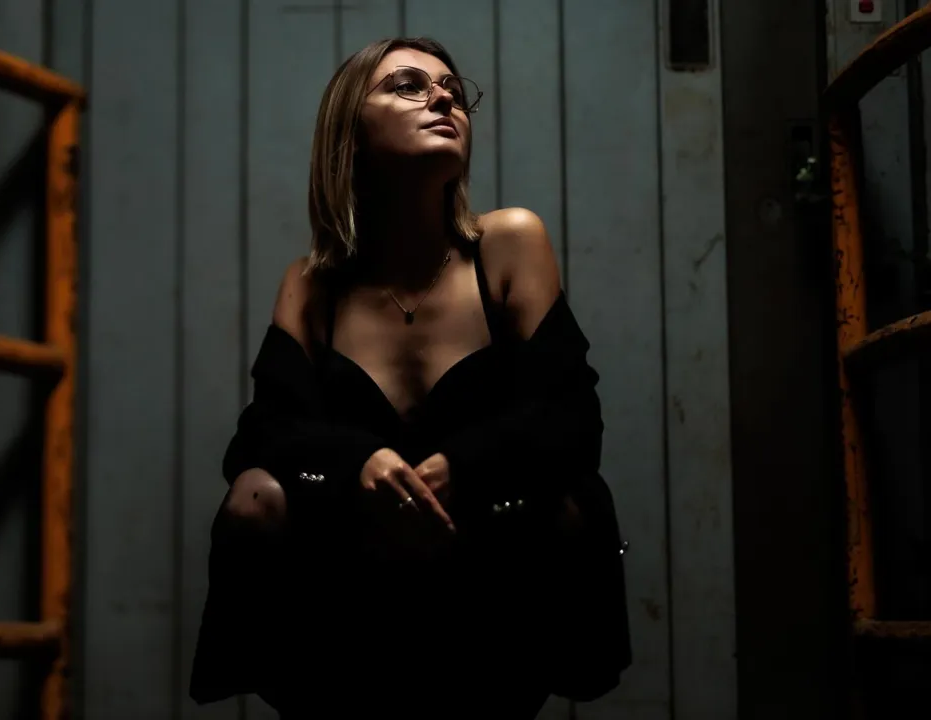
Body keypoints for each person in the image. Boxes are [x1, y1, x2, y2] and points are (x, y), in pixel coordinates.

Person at [190, 37, 630, 719]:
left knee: (571, 497)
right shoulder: (313, 284)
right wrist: (361, 465)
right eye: (408, 85)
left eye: (454, 89)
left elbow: (572, 420)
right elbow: (262, 436)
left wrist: (460, 469)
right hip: (354, 578)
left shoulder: (508, 244)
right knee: (254, 495)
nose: (444, 98)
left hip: (488, 564)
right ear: (351, 132)